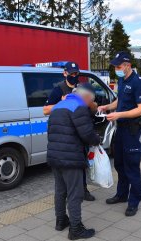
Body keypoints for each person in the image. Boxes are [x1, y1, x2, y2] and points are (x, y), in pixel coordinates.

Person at [47, 83, 101, 240]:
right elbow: (87, 134)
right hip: (70, 158)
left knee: (60, 190)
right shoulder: (79, 107)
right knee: (75, 194)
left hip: (54, 156)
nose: (90, 104)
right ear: (86, 97)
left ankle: (61, 221)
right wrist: (97, 139)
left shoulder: (58, 106)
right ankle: (76, 229)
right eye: (91, 101)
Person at [98, 51, 141, 217]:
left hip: (131, 129)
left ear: (128, 65)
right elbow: (120, 100)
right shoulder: (121, 79)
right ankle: (121, 194)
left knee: (131, 165)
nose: (116, 69)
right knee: (119, 163)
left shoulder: (138, 82)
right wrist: (107, 107)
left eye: (118, 66)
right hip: (120, 128)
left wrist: (118, 114)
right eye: (115, 66)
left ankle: (134, 201)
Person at [43, 61, 97, 202]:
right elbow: (46, 110)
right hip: (67, 135)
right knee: (68, 173)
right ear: (65, 73)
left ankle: (84, 190)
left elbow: (93, 106)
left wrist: (91, 104)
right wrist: (62, 101)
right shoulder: (58, 89)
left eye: (76, 73)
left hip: (81, 132)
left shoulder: (81, 87)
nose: (74, 76)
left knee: (83, 162)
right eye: (71, 73)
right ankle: (74, 194)